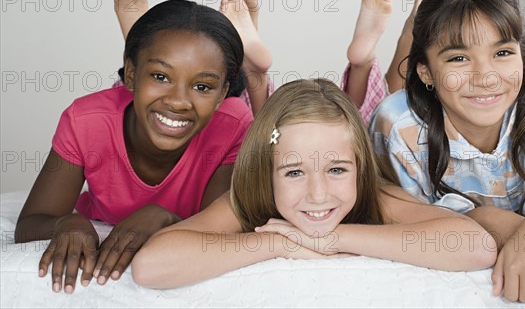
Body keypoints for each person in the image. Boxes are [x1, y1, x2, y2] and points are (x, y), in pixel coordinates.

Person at [130, 78, 497, 289]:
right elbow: (151, 266)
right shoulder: (248, 200)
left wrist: (328, 240)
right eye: (293, 172)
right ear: (267, 170)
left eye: (337, 170)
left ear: (359, 167)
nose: (318, 194)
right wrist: (276, 243)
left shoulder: (375, 196)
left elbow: (475, 246)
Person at [369, 0, 525, 303]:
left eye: (503, 53)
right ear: (425, 72)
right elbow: (406, 222)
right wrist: (484, 217)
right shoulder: (398, 126)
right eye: (459, 58)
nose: (486, 76)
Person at [14, 0, 253, 294]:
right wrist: (68, 224)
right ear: (130, 74)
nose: (178, 101)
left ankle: (256, 68)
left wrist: (165, 217)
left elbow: (215, 229)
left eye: (202, 87)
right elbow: (30, 223)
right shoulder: (86, 122)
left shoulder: (232, 124)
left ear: (222, 95)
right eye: (160, 76)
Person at [113, 0, 414, 121]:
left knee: (257, 133)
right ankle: (364, 63)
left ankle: (144, 43)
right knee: (358, 131)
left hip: (266, 145)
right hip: (311, 143)